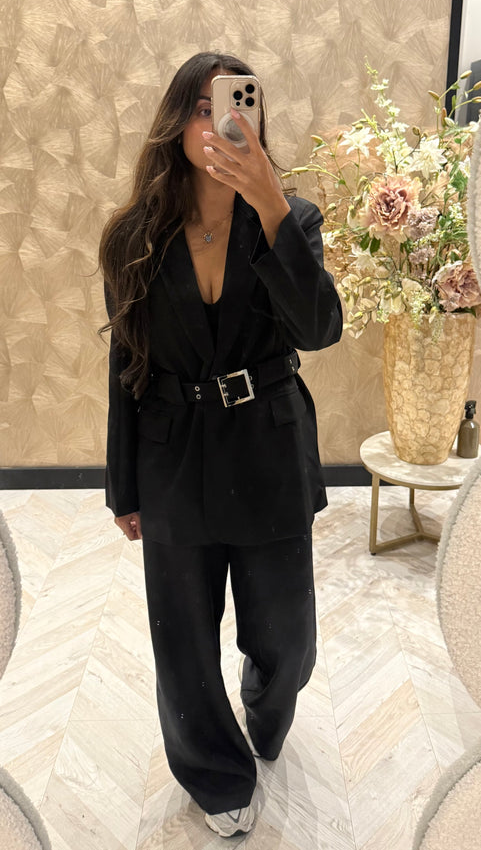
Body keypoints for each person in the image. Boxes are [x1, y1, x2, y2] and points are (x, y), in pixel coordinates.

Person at [99, 51, 343, 838]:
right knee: (182, 640)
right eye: (201, 109)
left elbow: (319, 329)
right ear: (177, 123)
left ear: (256, 117)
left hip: (267, 444)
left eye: (235, 105)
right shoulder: (134, 235)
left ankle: (263, 710)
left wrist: (270, 207)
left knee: (287, 639)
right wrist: (122, 485)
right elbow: (127, 362)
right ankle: (213, 771)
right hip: (171, 450)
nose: (217, 124)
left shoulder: (292, 218)